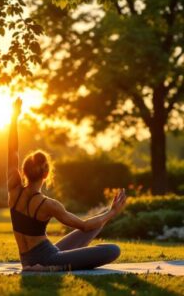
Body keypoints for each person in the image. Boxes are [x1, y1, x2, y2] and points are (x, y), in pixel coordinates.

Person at [8, 97, 126, 271]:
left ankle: (52, 264)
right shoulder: (48, 204)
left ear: (24, 171)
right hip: (48, 259)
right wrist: (113, 212)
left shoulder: (13, 190)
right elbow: (84, 225)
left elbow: (12, 151)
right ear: (46, 174)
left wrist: (13, 118)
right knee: (112, 250)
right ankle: (57, 266)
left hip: (27, 259)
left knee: (99, 219)